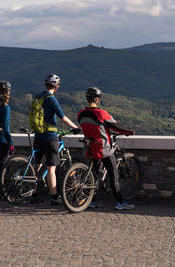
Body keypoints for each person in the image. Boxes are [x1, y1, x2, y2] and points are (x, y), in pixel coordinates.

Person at [78, 87, 136, 210]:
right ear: (97, 99)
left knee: (93, 175)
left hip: (89, 147)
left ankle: (92, 201)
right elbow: (116, 126)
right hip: (103, 148)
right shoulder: (101, 113)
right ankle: (120, 202)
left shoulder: (81, 114)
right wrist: (129, 132)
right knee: (113, 174)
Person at [32, 74, 80, 205]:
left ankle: (34, 194)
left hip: (38, 136)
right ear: (55, 86)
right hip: (49, 137)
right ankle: (54, 197)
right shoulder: (51, 99)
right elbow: (63, 118)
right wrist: (76, 127)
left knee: (36, 166)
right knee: (51, 168)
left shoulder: (38, 97)